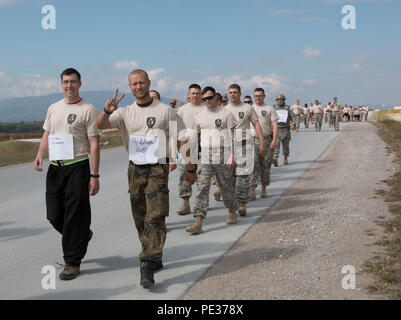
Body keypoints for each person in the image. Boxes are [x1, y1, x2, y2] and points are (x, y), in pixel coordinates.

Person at [96, 69, 194, 289]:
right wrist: (106, 110)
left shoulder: (165, 111)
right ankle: (153, 252)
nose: (138, 87)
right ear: (130, 87)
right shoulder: (124, 113)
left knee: (156, 216)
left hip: (158, 168)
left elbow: (181, 137)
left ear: (149, 83)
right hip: (135, 170)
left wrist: (190, 166)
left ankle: (147, 263)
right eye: (134, 84)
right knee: (140, 216)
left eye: (141, 82)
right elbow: (100, 125)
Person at [33, 68, 100, 281]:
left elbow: (94, 143)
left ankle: (72, 261)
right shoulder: (53, 108)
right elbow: (47, 133)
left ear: (80, 83)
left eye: (72, 81)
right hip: (55, 167)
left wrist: (94, 175)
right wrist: (39, 154)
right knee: (54, 215)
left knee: (74, 214)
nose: (69, 85)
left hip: (77, 165)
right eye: (65, 82)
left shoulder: (87, 109)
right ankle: (81, 235)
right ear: (61, 84)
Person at [185, 86, 238, 234]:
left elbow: (234, 137)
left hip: (223, 154)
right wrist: (192, 158)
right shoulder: (199, 116)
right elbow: (195, 139)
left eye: (209, 98)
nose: (207, 101)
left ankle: (232, 210)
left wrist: (233, 155)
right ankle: (198, 221)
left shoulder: (226, 114)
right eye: (204, 99)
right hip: (206, 155)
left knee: (226, 186)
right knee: (202, 187)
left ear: (216, 97)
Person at [224, 84, 266, 216]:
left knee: (242, 176)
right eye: (230, 92)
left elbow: (256, 124)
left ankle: (241, 204)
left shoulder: (248, 108)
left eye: (235, 92)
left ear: (240, 93)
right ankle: (232, 206)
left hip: (244, 144)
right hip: (228, 146)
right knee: (230, 178)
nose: (232, 95)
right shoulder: (223, 109)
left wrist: (262, 142)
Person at [176, 84, 204, 215]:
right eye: (193, 93)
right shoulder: (182, 110)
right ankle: (186, 203)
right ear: (188, 95)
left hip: (202, 145)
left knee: (203, 176)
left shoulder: (206, 109)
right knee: (184, 175)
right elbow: (175, 129)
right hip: (186, 145)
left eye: (198, 93)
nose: (195, 95)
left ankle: (201, 203)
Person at [248, 88, 278, 200]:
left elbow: (274, 125)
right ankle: (252, 188)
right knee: (253, 164)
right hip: (253, 139)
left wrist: (274, 140)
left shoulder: (270, 109)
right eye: (255, 96)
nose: (258, 98)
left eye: (260, 95)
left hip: (266, 140)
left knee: (265, 165)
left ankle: (264, 188)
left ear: (264, 96)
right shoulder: (250, 109)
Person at [273, 94, 294, 166]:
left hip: (286, 129)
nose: (279, 101)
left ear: (284, 100)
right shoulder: (274, 108)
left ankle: (285, 157)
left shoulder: (287, 108)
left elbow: (292, 117)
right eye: (278, 100)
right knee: (276, 144)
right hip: (277, 129)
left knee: (285, 145)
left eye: (281, 100)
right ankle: (275, 158)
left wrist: (293, 125)